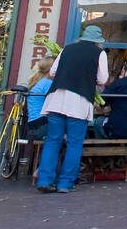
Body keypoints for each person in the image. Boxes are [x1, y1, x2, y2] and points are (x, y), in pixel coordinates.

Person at [36, 25, 109, 193]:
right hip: (80, 102)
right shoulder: (100, 53)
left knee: (53, 141)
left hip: (56, 99)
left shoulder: (67, 49)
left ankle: (45, 179)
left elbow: (53, 72)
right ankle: (65, 183)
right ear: (98, 42)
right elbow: (103, 79)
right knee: (74, 144)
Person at [26, 56, 54, 139]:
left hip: (32, 126)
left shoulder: (35, 81)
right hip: (42, 126)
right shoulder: (48, 83)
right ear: (51, 69)